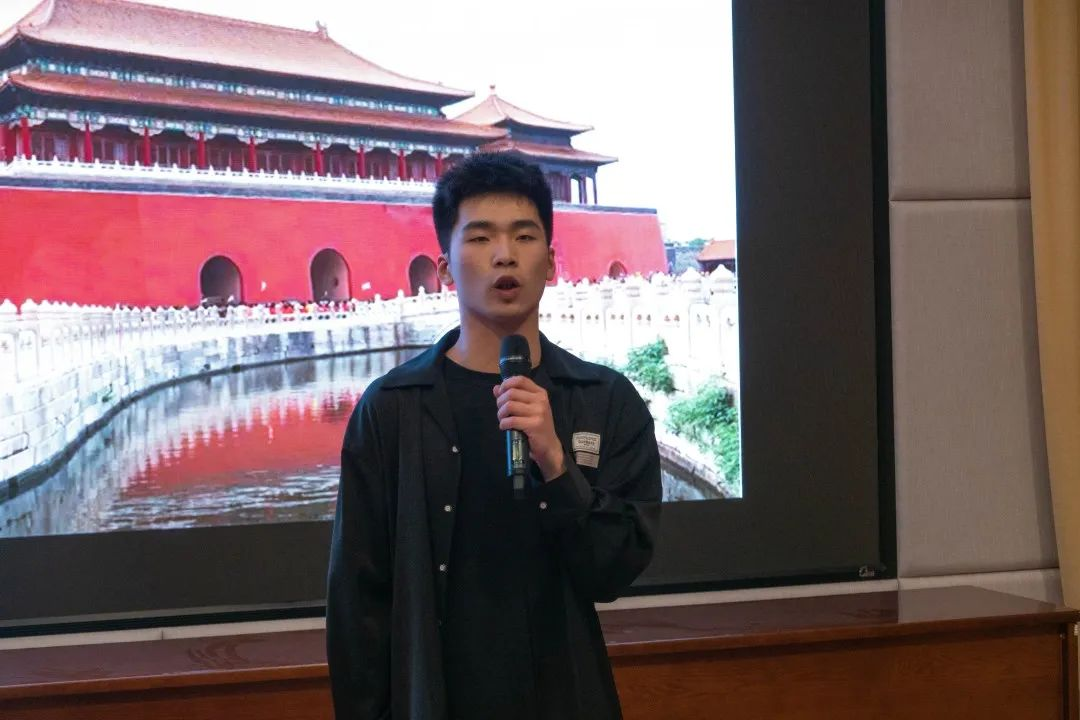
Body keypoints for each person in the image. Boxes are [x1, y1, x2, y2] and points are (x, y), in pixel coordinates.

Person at [326, 153, 662, 720]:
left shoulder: (604, 399)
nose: (505, 254)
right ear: (445, 268)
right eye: (481, 238)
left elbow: (613, 569)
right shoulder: (392, 408)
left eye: (524, 237)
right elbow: (357, 599)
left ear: (549, 263)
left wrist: (556, 464)